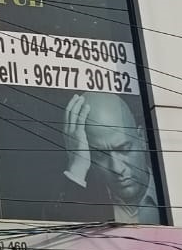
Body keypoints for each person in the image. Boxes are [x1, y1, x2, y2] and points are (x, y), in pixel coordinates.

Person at [61, 93, 159, 224]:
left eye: (124, 149)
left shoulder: (175, 191)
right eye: (100, 155)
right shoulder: (87, 203)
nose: (117, 168)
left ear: (141, 138)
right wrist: (77, 169)